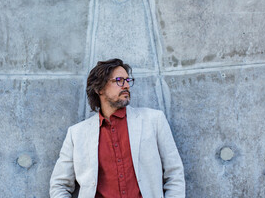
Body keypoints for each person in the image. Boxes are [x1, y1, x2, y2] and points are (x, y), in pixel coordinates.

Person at [50, 58, 185, 198]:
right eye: (119, 80)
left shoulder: (154, 121)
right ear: (99, 88)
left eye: (127, 80)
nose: (126, 85)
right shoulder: (77, 134)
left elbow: (174, 173)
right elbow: (59, 185)